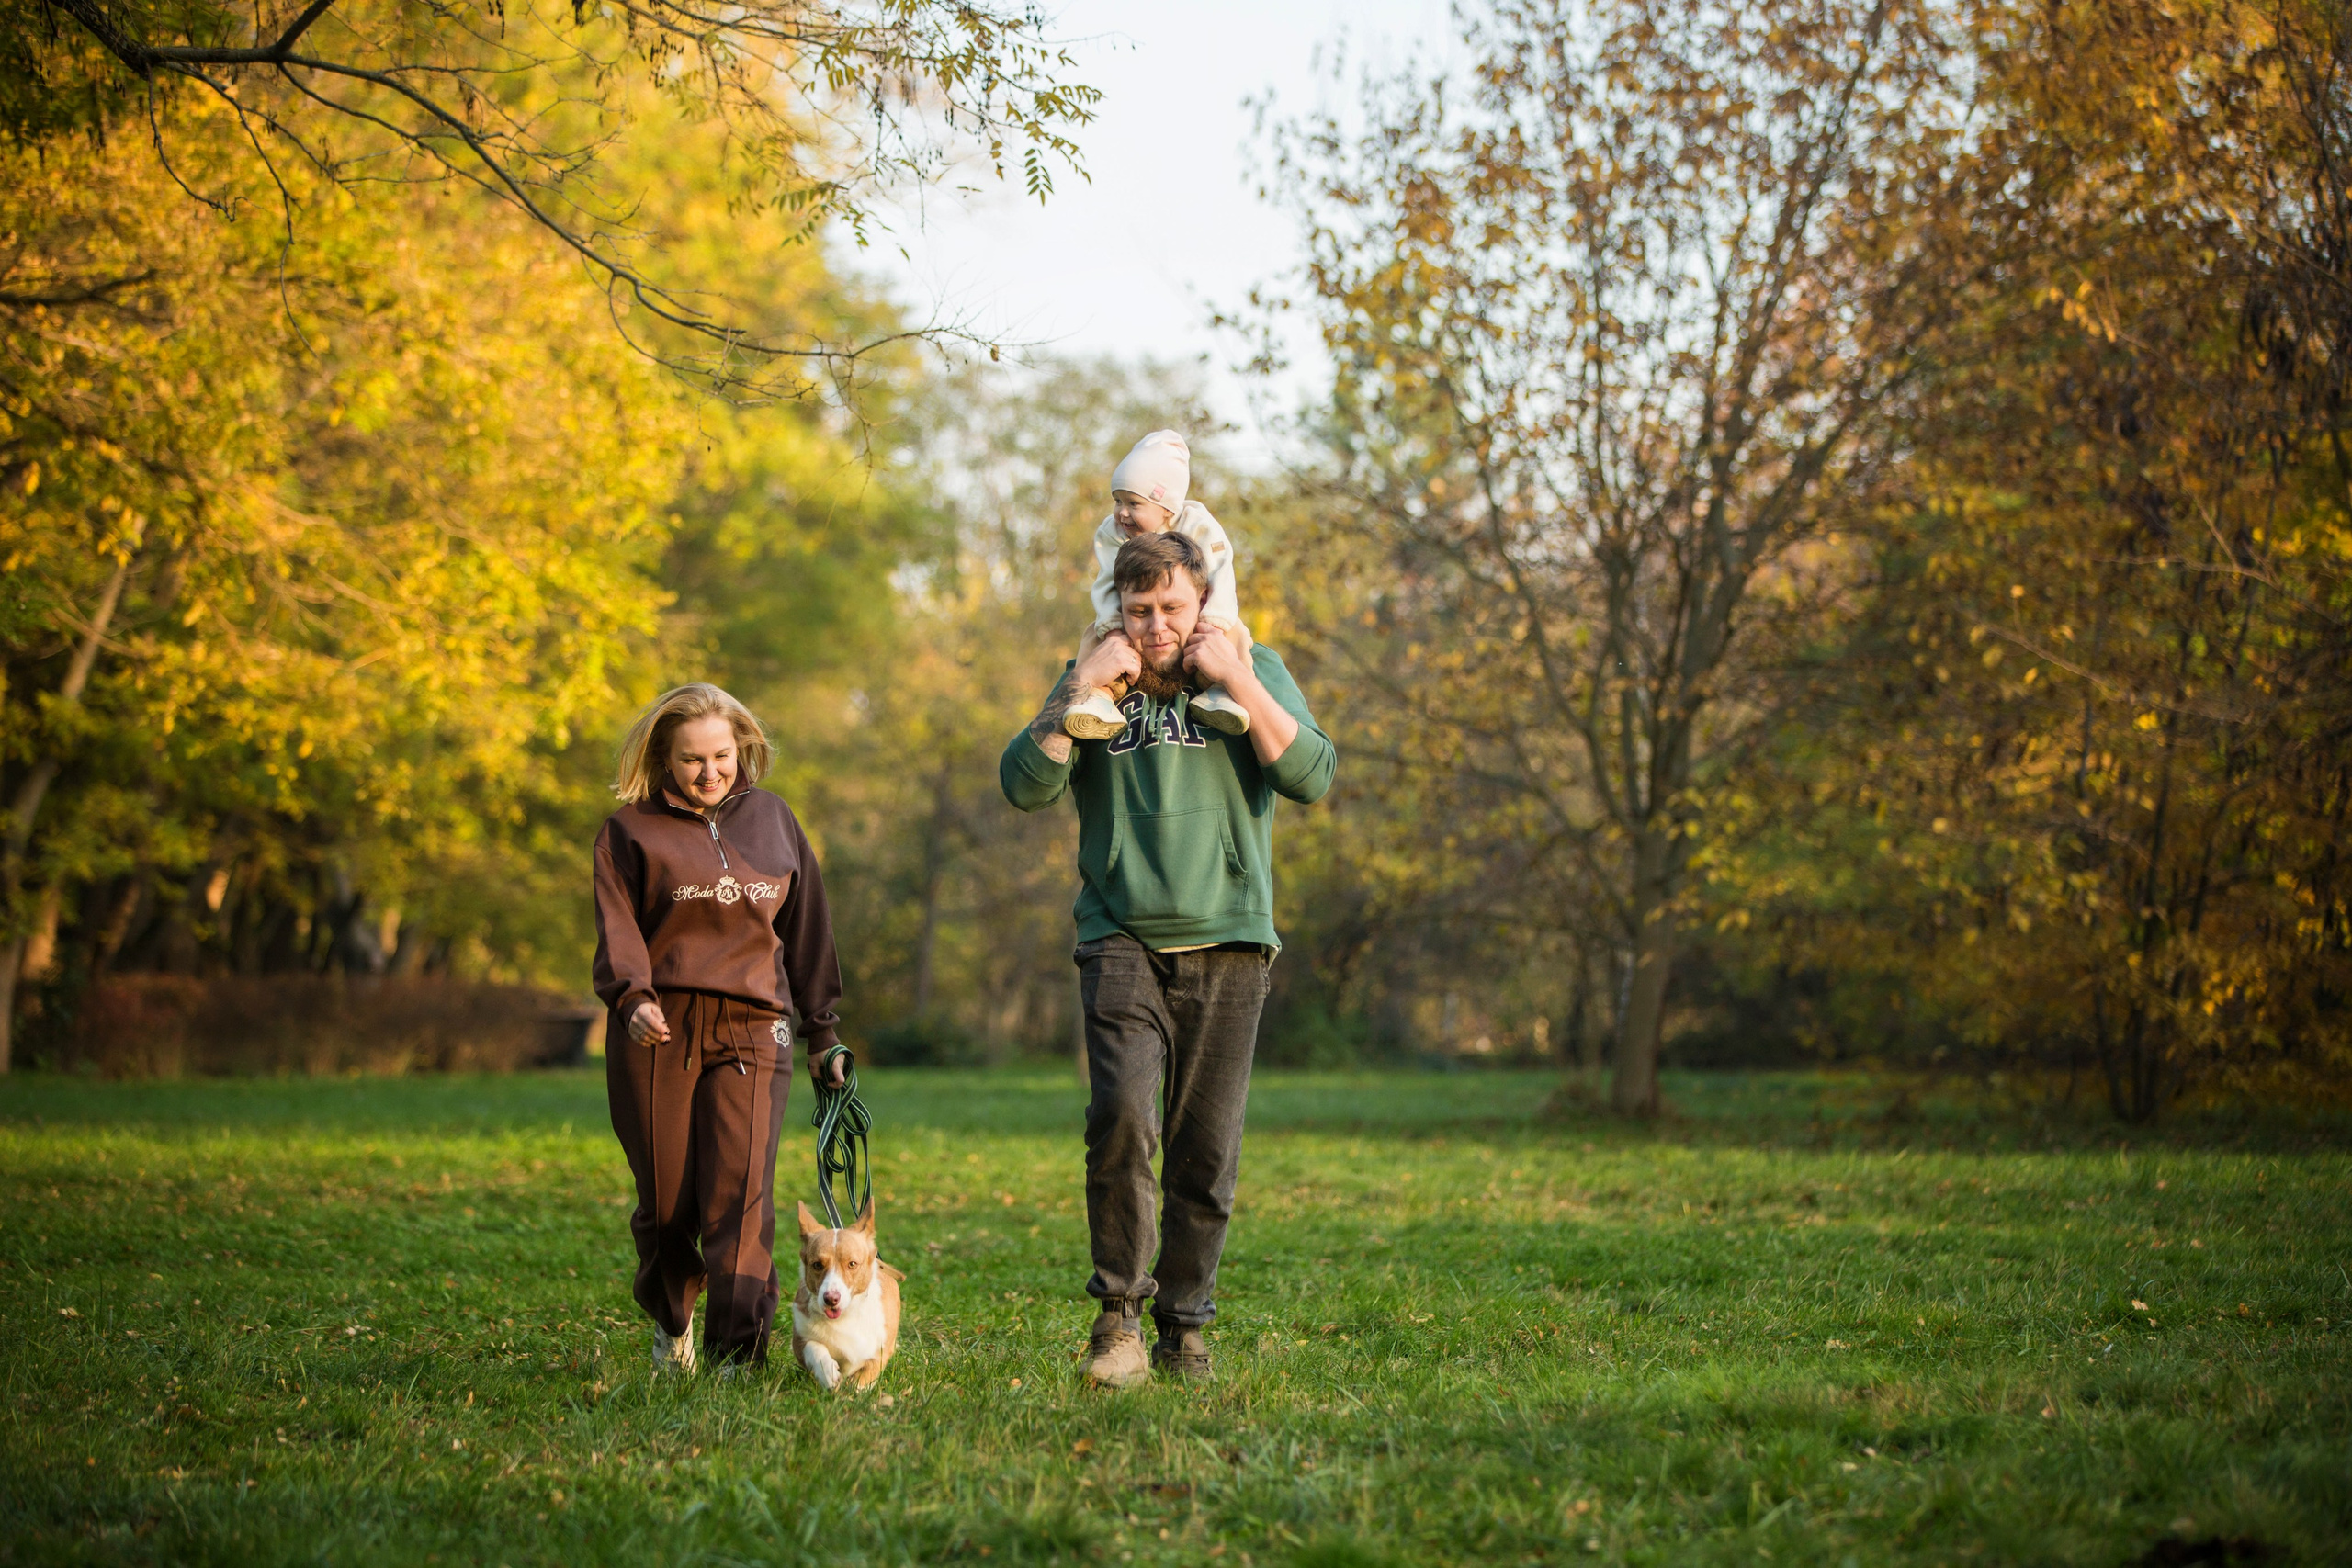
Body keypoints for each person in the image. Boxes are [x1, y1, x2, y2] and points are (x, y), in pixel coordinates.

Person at [1001, 530, 1338, 1385]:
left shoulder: (1251, 666)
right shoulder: (1095, 681)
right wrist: (1079, 687)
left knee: (1205, 1150)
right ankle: (1116, 1322)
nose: (1155, 626)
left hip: (1231, 935)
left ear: (1201, 603)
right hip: (1120, 933)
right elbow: (1023, 785)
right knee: (1121, 1115)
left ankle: (1183, 1327)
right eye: (1139, 609)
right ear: (1118, 607)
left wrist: (1239, 680)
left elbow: (1311, 774)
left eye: (1172, 608)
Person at [593, 682, 848, 1377]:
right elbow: (618, 929)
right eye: (691, 760)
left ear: (743, 747)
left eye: (721, 755)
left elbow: (808, 929)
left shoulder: (773, 820)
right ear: (664, 761)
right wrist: (633, 997)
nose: (710, 772)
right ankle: (672, 1318)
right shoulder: (630, 831)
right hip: (658, 1030)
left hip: (754, 1024)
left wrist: (823, 1031)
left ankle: (737, 1352)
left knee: (741, 1195)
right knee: (667, 1200)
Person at [1062, 429, 1254, 740]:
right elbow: (1105, 584)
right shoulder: (1113, 533)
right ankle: (1098, 698)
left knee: (1236, 635)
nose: (1122, 512)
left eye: (1134, 503)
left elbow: (1221, 570)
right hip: (1122, 625)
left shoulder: (1196, 525)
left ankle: (1225, 692)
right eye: (1118, 501)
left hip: (1207, 623)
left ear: (1167, 508)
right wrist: (1112, 627)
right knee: (1095, 640)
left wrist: (1214, 622)